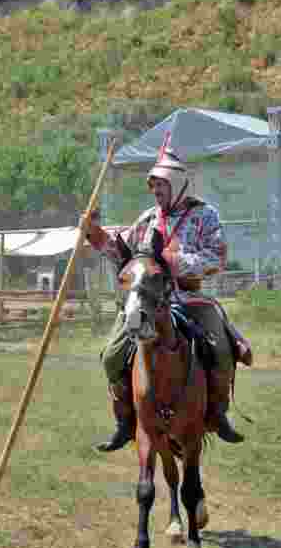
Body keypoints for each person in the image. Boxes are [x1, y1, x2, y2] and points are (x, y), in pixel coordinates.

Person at [85, 141, 253, 452]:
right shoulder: (148, 218)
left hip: (191, 299)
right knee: (111, 355)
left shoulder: (205, 215)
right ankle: (125, 421)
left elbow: (217, 258)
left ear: (176, 184)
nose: (156, 191)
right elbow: (124, 256)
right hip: (146, 301)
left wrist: (177, 262)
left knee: (219, 349)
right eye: (153, 186)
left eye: (160, 185)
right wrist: (96, 236)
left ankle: (217, 414)